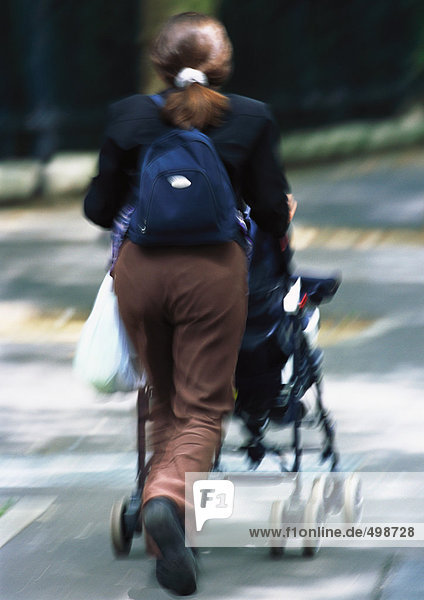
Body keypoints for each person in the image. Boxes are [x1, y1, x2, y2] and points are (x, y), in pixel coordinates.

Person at [84, 11, 295, 596]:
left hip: (140, 273)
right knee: (203, 408)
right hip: (213, 274)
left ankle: (165, 538)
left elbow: (99, 209)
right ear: (221, 65)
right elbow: (273, 213)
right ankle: (169, 502)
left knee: (164, 401)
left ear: (160, 62)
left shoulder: (127, 116)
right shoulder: (252, 117)